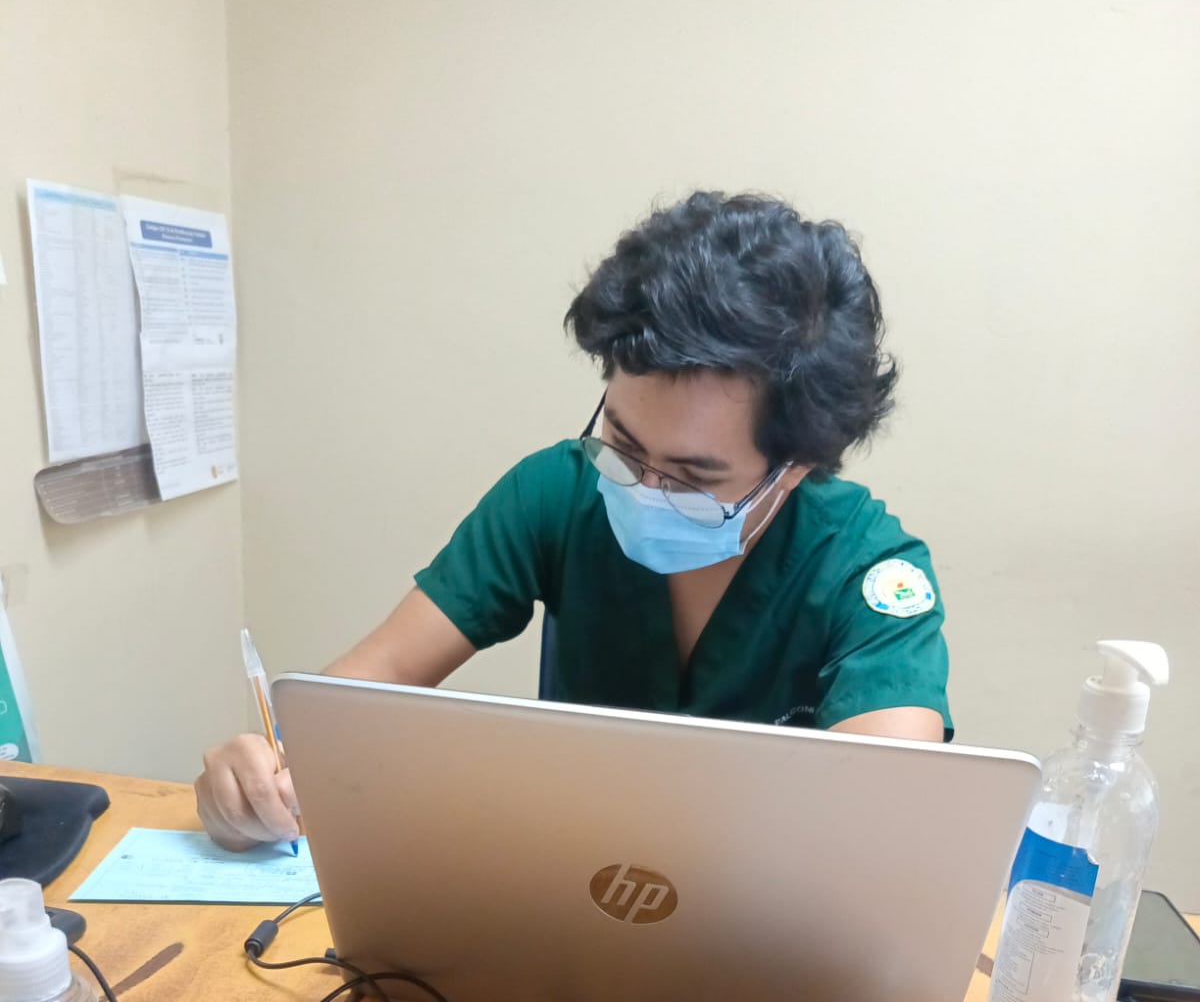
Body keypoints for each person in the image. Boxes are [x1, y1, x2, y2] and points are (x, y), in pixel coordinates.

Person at [196, 191, 951, 852]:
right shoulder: (559, 492)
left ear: (797, 467)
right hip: (562, 919)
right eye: (622, 443)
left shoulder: (867, 572)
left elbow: (879, 829)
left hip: (762, 949)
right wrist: (262, 786)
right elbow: (376, 682)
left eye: (694, 478)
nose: (643, 490)